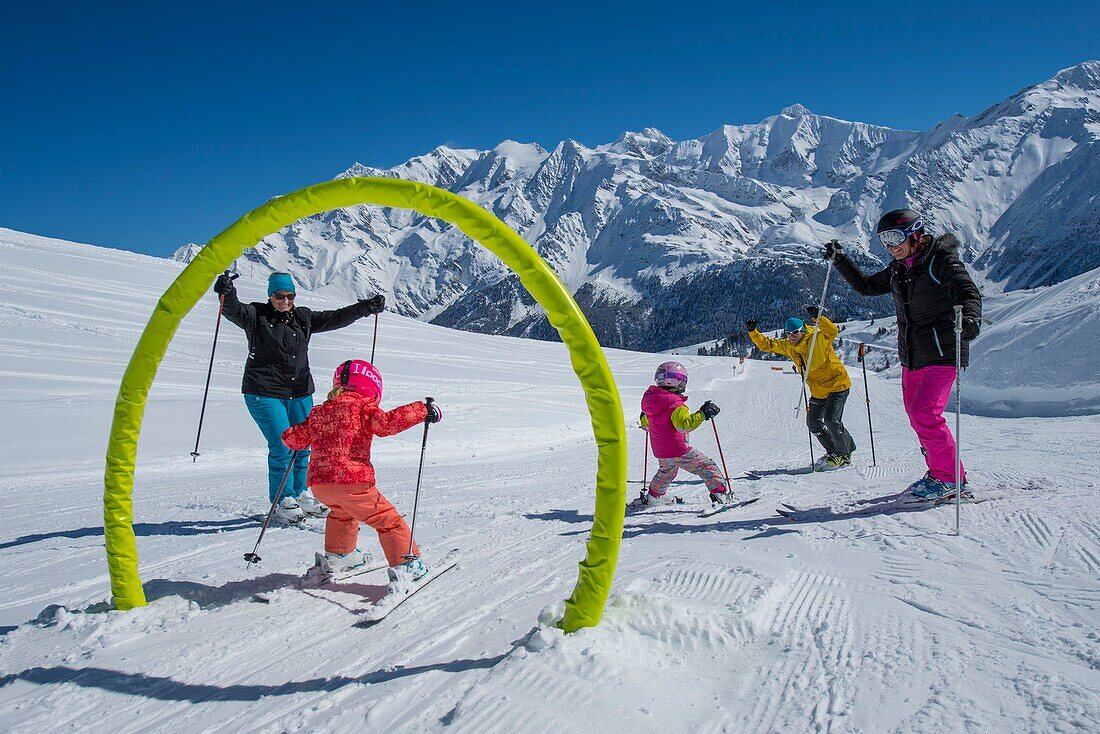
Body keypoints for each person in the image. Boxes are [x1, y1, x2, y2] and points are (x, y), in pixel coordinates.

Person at [826, 208, 982, 500]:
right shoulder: (899, 268)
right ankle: (940, 471)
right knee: (916, 415)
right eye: (884, 239)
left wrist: (971, 318)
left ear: (916, 234)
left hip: (942, 351)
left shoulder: (941, 261)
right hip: (912, 355)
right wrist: (841, 261)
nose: (890, 245)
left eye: (895, 237)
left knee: (926, 414)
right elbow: (866, 287)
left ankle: (951, 480)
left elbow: (967, 292)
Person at [213, 271, 386, 524]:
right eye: (279, 296)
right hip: (264, 392)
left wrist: (365, 308)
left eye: (289, 296)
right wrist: (226, 293)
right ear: (270, 295)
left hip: (300, 391)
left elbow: (335, 318)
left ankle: (301, 493)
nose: (285, 301)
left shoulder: (303, 317)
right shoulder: (256, 315)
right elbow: (233, 310)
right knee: (283, 445)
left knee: (305, 444)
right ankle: (282, 500)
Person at [281, 360, 442, 592]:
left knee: (341, 513)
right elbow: (387, 424)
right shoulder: (363, 407)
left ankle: (341, 555)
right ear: (372, 386)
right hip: (351, 481)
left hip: (320, 486)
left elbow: (292, 439)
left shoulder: (321, 411)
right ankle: (408, 566)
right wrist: (423, 411)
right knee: (388, 521)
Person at [746, 308, 855, 469]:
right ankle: (834, 451)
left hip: (837, 385)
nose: (792, 335)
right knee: (814, 424)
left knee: (831, 420)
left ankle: (844, 454)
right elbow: (767, 345)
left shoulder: (817, 339)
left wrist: (818, 318)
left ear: (803, 330)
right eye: (788, 333)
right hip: (818, 390)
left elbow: (832, 331)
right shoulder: (789, 345)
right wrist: (753, 331)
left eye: (795, 332)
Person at [636, 361, 730, 507]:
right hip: (678, 449)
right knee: (706, 466)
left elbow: (646, 424)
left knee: (667, 471)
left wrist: (643, 418)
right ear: (681, 382)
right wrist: (703, 414)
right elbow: (684, 426)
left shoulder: (651, 402)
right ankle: (719, 494)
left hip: (660, 450)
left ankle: (655, 497)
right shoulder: (676, 405)